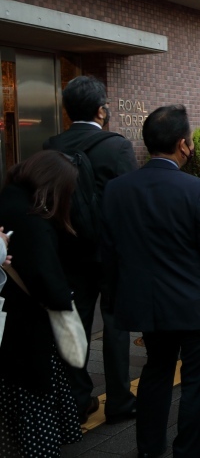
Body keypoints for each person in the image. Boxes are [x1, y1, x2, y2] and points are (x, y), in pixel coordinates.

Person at [102, 105, 200, 457]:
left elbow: (108, 252)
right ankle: (188, 449)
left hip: (148, 305)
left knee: (156, 372)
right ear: (184, 145)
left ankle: (150, 448)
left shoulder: (118, 189)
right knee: (196, 380)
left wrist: (113, 301)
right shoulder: (197, 190)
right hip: (196, 306)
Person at [43, 75, 138, 425]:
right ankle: (119, 399)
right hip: (111, 251)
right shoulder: (117, 146)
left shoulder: (51, 147)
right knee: (115, 326)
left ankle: (78, 398)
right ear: (102, 109)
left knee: (75, 323)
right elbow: (132, 201)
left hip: (69, 249)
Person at [0, 151, 82, 457]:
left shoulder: (8, 197)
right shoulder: (33, 218)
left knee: (15, 393)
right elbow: (47, 278)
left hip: (9, 318)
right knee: (34, 397)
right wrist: (66, 298)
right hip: (26, 326)